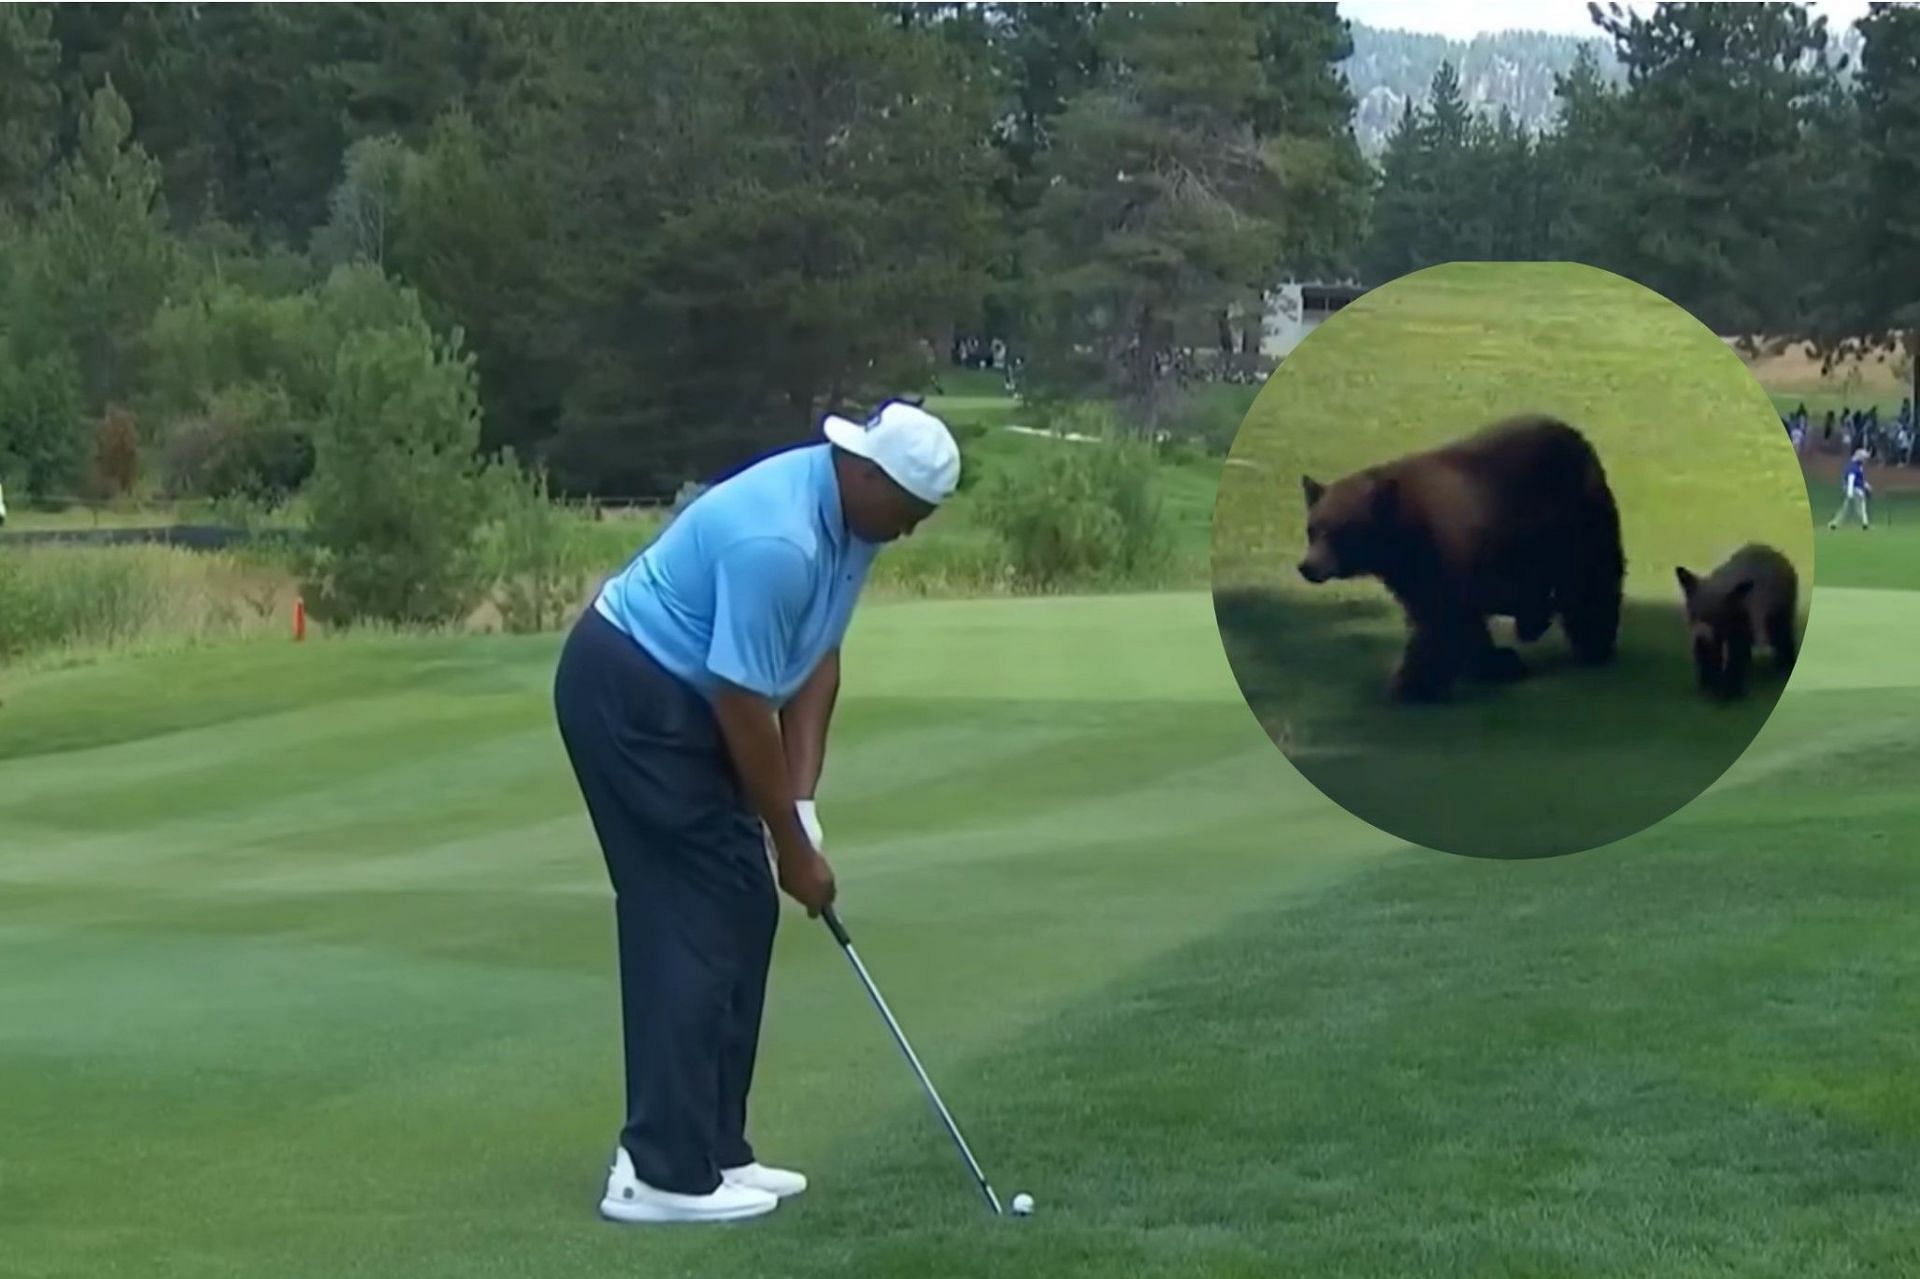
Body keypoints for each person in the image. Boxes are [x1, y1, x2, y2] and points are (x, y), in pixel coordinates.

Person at [551, 400, 961, 1225]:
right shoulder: (780, 538)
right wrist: (788, 844)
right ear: (869, 474)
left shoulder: (855, 524)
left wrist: (801, 808)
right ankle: (659, 1169)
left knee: (739, 905)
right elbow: (744, 702)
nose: (910, 531)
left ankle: (713, 1148)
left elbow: (816, 661)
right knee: (693, 911)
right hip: (630, 690)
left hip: (688, 695)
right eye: (908, 513)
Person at [1830, 447, 1872, 531]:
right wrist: (1850, 492)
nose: (1865, 461)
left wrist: (1866, 485)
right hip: (1855, 490)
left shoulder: (1855, 466)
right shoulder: (1854, 466)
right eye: (1864, 458)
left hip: (1853, 489)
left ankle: (1835, 523)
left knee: (1846, 508)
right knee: (1860, 507)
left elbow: (1859, 479)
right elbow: (1851, 478)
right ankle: (1865, 523)